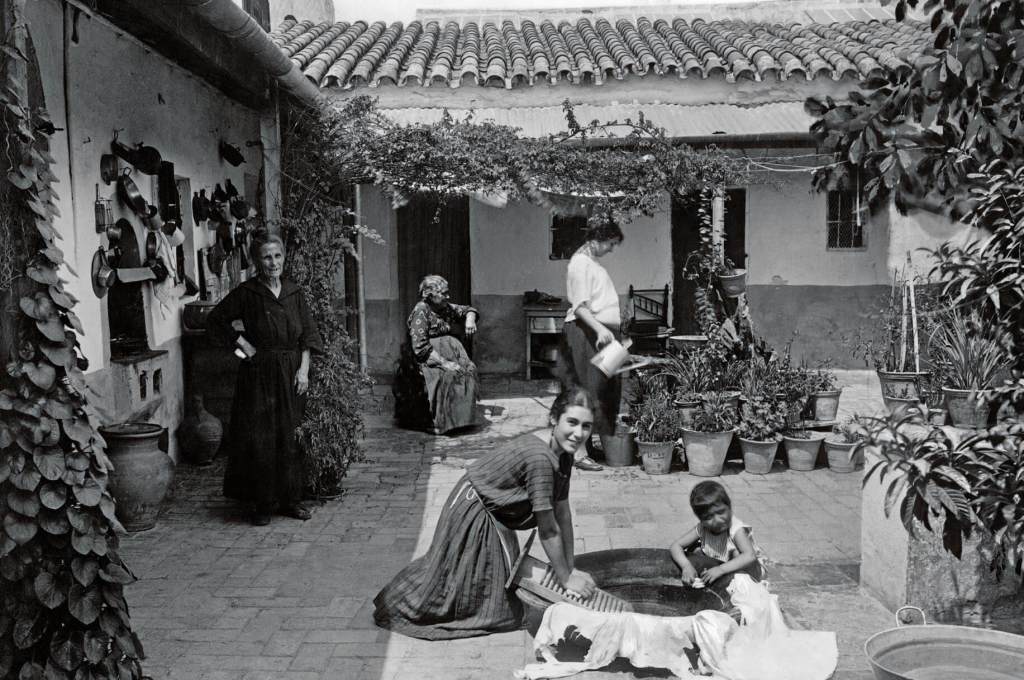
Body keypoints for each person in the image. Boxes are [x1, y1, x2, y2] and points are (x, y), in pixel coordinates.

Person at [374, 386, 599, 640]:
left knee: (494, 595)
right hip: (474, 509)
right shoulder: (541, 459)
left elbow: (563, 513)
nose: (578, 433)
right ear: (554, 418)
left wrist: (570, 568)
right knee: (482, 605)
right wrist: (565, 578)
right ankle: (399, 603)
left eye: (586, 426)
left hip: (496, 509)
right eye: (572, 422)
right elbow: (548, 529)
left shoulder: (565, 454)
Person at [205, 231, 322, 526]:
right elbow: (216, 320)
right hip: (257, 372)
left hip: (292, 372)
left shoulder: (294, 293)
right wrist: (243, 345)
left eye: (278, 256)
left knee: (289, 435)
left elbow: (307, 335)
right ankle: (262, 503)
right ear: (258, 261)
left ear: (284, 258)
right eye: (267, 257)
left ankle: (291, 500)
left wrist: (304, 371)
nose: (273, 262)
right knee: (261, 438)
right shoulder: (248, 293)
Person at [560, 220, 625, 471]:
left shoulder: (591, 263)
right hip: (589, 333)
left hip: (605, 334)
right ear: (598, 239)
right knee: (586, 391)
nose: (611, 249)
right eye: (610, 244)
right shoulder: (579, 263)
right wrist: (600, 329)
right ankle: (578, 453)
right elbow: (579, 307)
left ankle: (588, 441)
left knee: (609, 390)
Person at [393, 274, 479, 434]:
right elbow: (420, 347)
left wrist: (469, 320)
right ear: (429, 295)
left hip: (447, 355)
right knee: (446, 376)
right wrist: (446, 363)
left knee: (468, 370)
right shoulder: (421, 310)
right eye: (444, 293)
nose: (448, 296)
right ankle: (441, 422)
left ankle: (460, 420)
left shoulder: (444, 307)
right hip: (427, 360)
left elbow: (468, 310)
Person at [669, 481, 766, 592]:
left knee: (737, 553)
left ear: (729, 507)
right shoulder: (703, 527)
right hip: (721, 562)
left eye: (721, 512)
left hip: (749, 570)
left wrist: (720, 569)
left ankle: (734, 588)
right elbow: (676, 546)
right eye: (709, 517)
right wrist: (686, 566)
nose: (717, 520)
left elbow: (749, 556)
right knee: (694, 550)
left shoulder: (736, 529)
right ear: (701, 519)